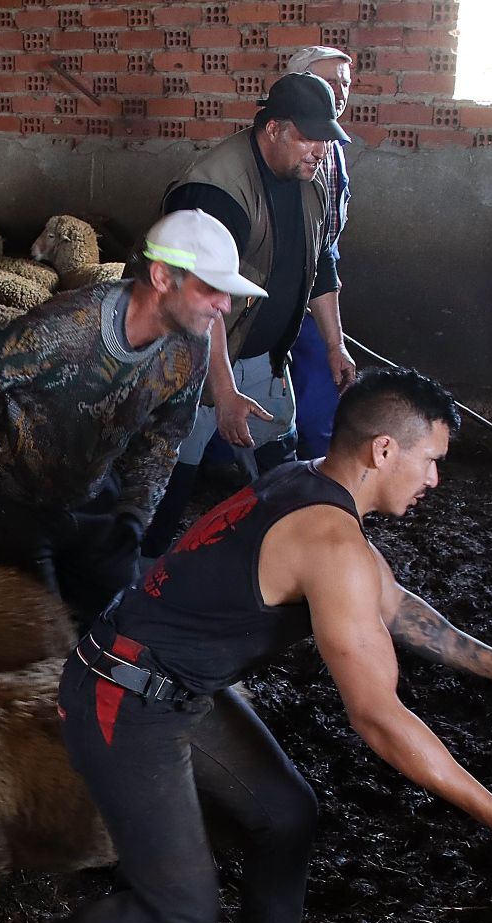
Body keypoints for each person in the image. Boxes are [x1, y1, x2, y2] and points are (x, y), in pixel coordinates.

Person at [0, 367, 492, 923]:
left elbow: (390, 602)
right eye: (431, 460)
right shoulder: (329, 542)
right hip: (121, 694)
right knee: (179, 910)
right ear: (384, 450)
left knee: (287, 815)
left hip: (170, 680)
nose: (434, 479)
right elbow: (378, 717)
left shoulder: (308, 480)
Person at [0, 210, 267, 625]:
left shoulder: (186, 347)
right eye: (211, 289)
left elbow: (165, 437)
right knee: (36, 636)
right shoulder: (62, 332)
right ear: (161, 278)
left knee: (115, 618)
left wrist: (135, 515)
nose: (225, 306)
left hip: (90, 492)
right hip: (7, 497)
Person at [143, 72, 358, 558]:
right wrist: (222, 390)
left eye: (325, 139)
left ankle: (284, 572)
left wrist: (333, 343)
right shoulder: (214, 190)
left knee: (284, 472)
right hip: (191, 364)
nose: (318, 151)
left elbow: (319, 264)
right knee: (167, 479)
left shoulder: (311, 181)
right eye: (307, 136)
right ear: (274, 128)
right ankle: (133, 585)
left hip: (262, 358)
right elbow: (200, 295)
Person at [285, 46, 355, 461]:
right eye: (328, 81)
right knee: (314, 383)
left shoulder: (334, 149)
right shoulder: (282, 144)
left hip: (315, 282)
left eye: (345, 82)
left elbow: (324, 237)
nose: (339, 91)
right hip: (278, 288)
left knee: (317, 375)